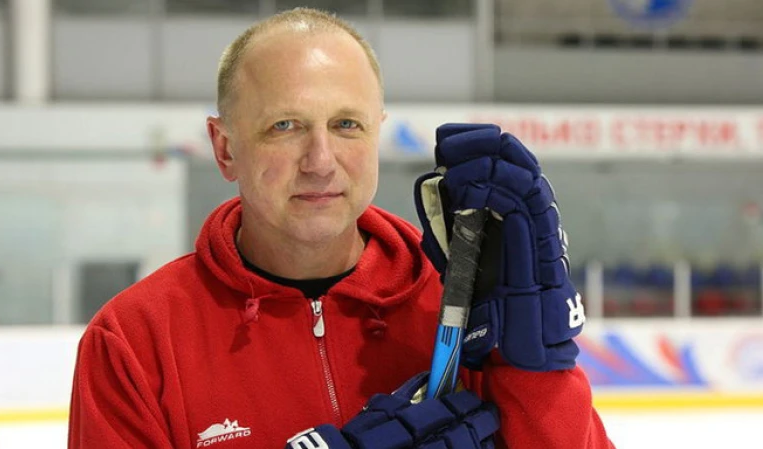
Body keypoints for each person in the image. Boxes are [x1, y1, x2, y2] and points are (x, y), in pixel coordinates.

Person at [68, 7, 614, 449]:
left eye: (346, 124)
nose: (321, 161)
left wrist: (536, 366)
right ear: (225, 148)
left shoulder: (462, 303)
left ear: (377, 133)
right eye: (285, 125)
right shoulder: (136, 339)